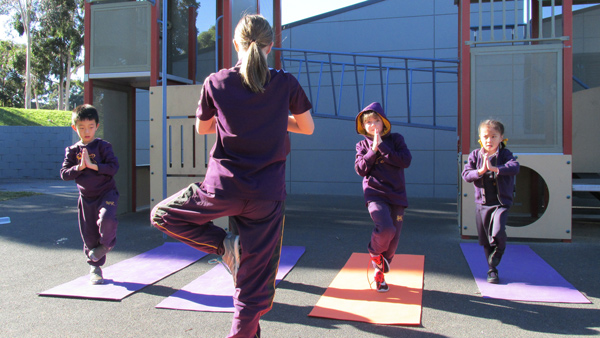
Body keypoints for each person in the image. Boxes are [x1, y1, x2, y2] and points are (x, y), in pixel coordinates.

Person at [150, 14, 314, 338]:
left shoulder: (216, 82)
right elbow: (307, 128)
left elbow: (203, 128)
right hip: (266, 198)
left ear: (235, 44)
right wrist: (276, 120)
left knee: (162, 215)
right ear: (270, 47)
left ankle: (224, 247)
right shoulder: (286, 83)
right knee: (252, 293)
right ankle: (230, 257)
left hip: (222, 189)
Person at [354, 102, 412, 292]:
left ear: (383, 122)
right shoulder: (362, 145)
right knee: (385, 228)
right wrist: (373, 150)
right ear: (364, 126)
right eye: (368, 122)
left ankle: (380, 271)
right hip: (374, 193)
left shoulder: (396, 139)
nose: (372, 125)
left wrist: (383, 147)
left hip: (396, 194)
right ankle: (374, 253)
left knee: (392, 244)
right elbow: (360, 169)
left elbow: (405, 160)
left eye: (376, 120)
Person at [60, 104, 119, 285]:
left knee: (107, 219)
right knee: (90, 234)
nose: (87, 131)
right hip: (86, 198)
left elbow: (113, 167)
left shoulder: (103, 146)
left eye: (90, 127)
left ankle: (107, 244)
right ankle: (95, 268)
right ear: (74, 128)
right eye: (82, 128)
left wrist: (94, 166)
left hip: (106, 193)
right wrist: (79, 167)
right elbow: (64, 174)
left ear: (97, 126)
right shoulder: (72, 151)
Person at [462, 119, 519, 284]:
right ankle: (492, 270)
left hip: (501, 203)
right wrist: (480, 171)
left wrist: (496, 169)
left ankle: (500, 248)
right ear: (480, 137)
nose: (489, 140)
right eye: (486, 136)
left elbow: (515, 167)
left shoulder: (505, 154)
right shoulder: (475, 155)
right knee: (486, 239)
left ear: (501, 138)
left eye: (494, 136)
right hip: (483, 204)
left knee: (498, 230)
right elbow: (466, 175)